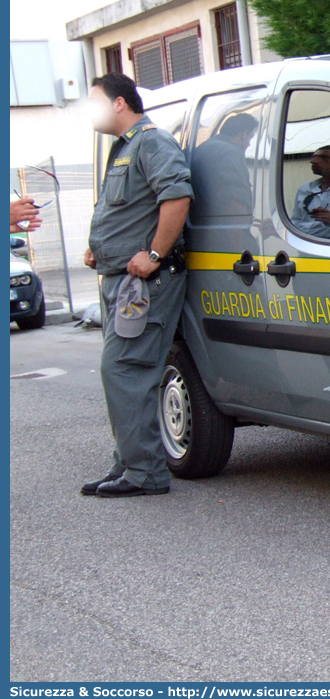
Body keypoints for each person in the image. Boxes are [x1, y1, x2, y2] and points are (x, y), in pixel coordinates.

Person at [80, 72, 193, 498]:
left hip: (145, 283)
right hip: (119, 281)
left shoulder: (151, 142)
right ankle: (129, 464)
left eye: (95, 101)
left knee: (125, 370)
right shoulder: (124, 149)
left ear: (120, 103)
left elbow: (177, 198)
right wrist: (99, 248)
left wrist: (153, 254)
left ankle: (144, 472)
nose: (89, 110)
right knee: (121, 374)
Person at [189, 113, 257, 219]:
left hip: (202, 224)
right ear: (244, 133)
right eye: (251, 137)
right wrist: (241, 228)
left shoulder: (202, 148)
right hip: (224, 229)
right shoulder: (231, 152)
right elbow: (235, 200)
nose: (249, 144)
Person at [289, 144, 330, 238]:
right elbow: (296, 220)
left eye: (324, 157)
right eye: (314, 157)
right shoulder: (306, 188)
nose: (313, 161)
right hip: (303, 243)